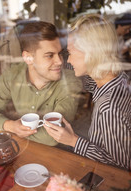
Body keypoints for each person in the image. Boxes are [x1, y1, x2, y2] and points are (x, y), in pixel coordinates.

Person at [44, 14, 131, 170]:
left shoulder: (108, 107)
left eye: (70, 53)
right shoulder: (116, 78)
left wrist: (73, 141)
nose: (68, 59)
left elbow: (122, 165)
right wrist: (56, 62)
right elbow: (88, 81)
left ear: (91, 53)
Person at [0, 21, 82, 146]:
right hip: (21, 149)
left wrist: (12, 131)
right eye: (50, 55)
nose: (60, 61)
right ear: (28, 58)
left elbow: (52, 138)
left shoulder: (70, 81)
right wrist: (11, 126)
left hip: (57, 156)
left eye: (60, 53)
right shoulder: (12, 75)